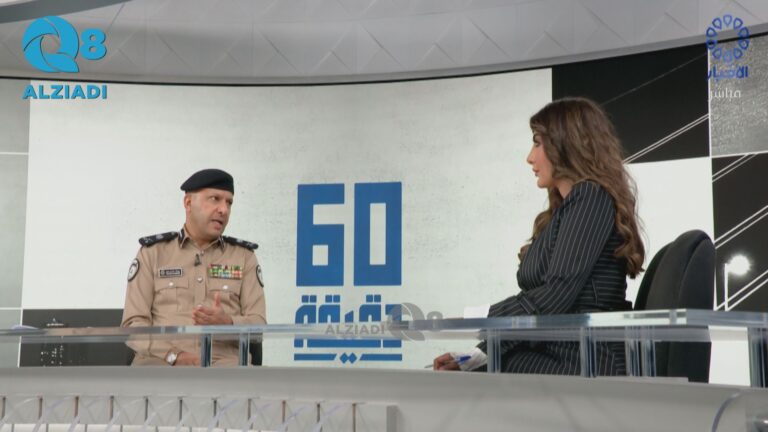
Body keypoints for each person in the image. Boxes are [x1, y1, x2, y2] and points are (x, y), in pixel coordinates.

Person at [434, 97, 644, 375]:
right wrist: (475, 356)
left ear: (565, 144)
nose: (530, 157)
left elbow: (556, 294)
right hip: (563, 353)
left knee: (466, 382)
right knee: (465, 374)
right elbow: (541, 307)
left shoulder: (590, 197)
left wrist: (479, 317)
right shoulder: (567, 209)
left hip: (587, 360)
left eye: (537, 143)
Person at [121, 168, 267, 366]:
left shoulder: (243, 257)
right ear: (188, 203)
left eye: (229, 202)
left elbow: (258, 327)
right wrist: (174, 356)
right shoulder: (153, 253)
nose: (224, 210)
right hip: (161, 362)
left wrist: (228, 323)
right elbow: (133, 326)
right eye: (215, 199)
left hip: (223, 365)